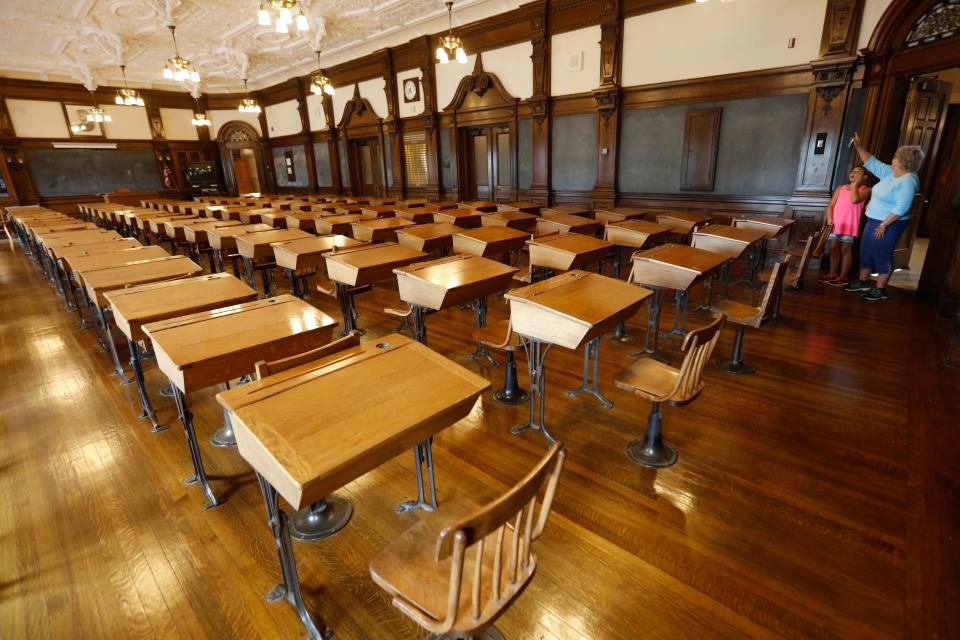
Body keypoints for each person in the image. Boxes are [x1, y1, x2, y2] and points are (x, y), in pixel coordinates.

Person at [845, 132, 923, 301]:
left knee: (882, 253)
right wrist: (859, 146)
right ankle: (863, 281)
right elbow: (871, 162)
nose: (893, 158)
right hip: (873, 220)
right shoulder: (892, 172)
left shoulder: (908, 180)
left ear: (904, 161)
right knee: (865, 251)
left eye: (896, 156)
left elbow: (902, 207)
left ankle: (880, 289)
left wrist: (884, 225)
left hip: (889, 223)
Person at [819, 165, 871, 286]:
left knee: (845, 250)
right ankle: (832, 274)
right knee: (833, 249)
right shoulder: (840, 188)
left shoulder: (866, 189)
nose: (853, 173)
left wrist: (855, 186)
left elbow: (854, 200)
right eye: (852, 171)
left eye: (858, 172)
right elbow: (831, 205)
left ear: (864, 177)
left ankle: (843, 277)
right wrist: (830, 220)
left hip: (850, 226)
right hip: (836, 225)